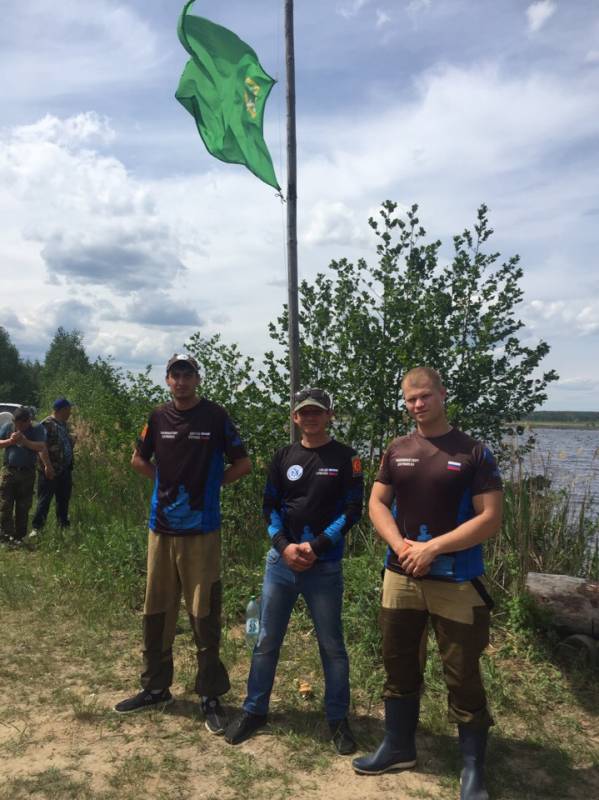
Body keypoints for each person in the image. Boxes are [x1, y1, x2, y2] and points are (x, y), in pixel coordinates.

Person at [352, 367, 502, 800]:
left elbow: (490, 517)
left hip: (455, 579)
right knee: (398, 664)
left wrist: (432, 548)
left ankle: (473, 768)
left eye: (424, 396)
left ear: (442, 394)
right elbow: (377, 502)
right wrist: (401, 545)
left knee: (463, 674)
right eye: (410, 399)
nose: (417, 405)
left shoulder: (474, 452)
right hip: (400, 575)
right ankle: (398, 746)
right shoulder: (397, 449)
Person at [114, 354, 251, 733]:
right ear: (168, 380)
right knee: (156, 609)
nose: (182, 381)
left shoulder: (216, 416)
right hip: (161, 528)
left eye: (188, 374)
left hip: (202, 531)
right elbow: (137, 461)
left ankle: (209, 694)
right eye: (176, 375)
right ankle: (156, 687)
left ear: (197, 379)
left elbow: (243, 464)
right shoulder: (157, 417)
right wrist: (163, 481)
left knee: (203, 612)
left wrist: (210, 486)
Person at [224, 387, 364, 755]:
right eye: (305, 412)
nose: (311, 417)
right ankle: (255, 710)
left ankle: (337, 719)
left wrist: (316, 547)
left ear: (330, 415)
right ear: (295, 417)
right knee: (266, 639)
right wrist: (283, 546)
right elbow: (269, 505)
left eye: (318, 411)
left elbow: (353, 511)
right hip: (280, 565)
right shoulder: (283, 456)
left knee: (332, 646)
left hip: (325, 565)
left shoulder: (347, 457)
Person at [0, 406, 53, 544]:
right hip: (9, 471)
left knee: (23, 506)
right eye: (17, 423)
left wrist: (25, 441)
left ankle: (19, 536)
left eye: (23, 423)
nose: (20, 426)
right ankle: (6, 535)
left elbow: (41, 446)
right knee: (5, 504)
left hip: (27, 473)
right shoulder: (8, 427)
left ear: (28, 420)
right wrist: (10, 441)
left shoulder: (37, 429)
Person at [30, 397, 75, 537]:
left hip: (65, 470)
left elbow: (60, 445)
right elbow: (40, 447)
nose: (70, 413)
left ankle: (63, 527)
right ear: (61, 410)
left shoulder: (64, 425)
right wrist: (47, 466)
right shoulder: (46, 424)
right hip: (50, 470)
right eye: (68, 410)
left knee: (63, 500)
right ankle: (37, 529)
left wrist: (71, 443)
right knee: (44, 500)